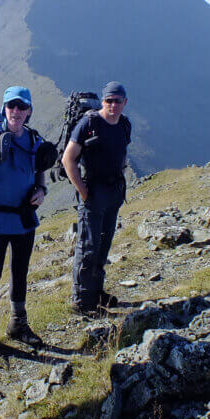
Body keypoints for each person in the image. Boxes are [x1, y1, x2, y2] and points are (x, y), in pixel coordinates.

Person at [0, 86, 47, 352]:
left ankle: (18, 324)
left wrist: (42, 190)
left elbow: (40, 173)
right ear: (4, 108)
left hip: (24, 220)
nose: (16, 111)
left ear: (29, 111)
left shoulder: (35, 140)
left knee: (20, 272)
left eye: (21, 107)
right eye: (11, 106)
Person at [61, 81, 132, 316]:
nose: (112, 105)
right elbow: (67, 159)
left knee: (103, 245)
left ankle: (96, 291)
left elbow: (122, 154)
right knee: (88, 246)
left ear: (125, 102)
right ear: (103, 102)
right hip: (93, 192)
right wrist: (82, 190)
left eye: (117, 101)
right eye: (108, 101)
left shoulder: (124, 124)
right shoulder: (89, 123)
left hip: (113, 193)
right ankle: (81, 300)